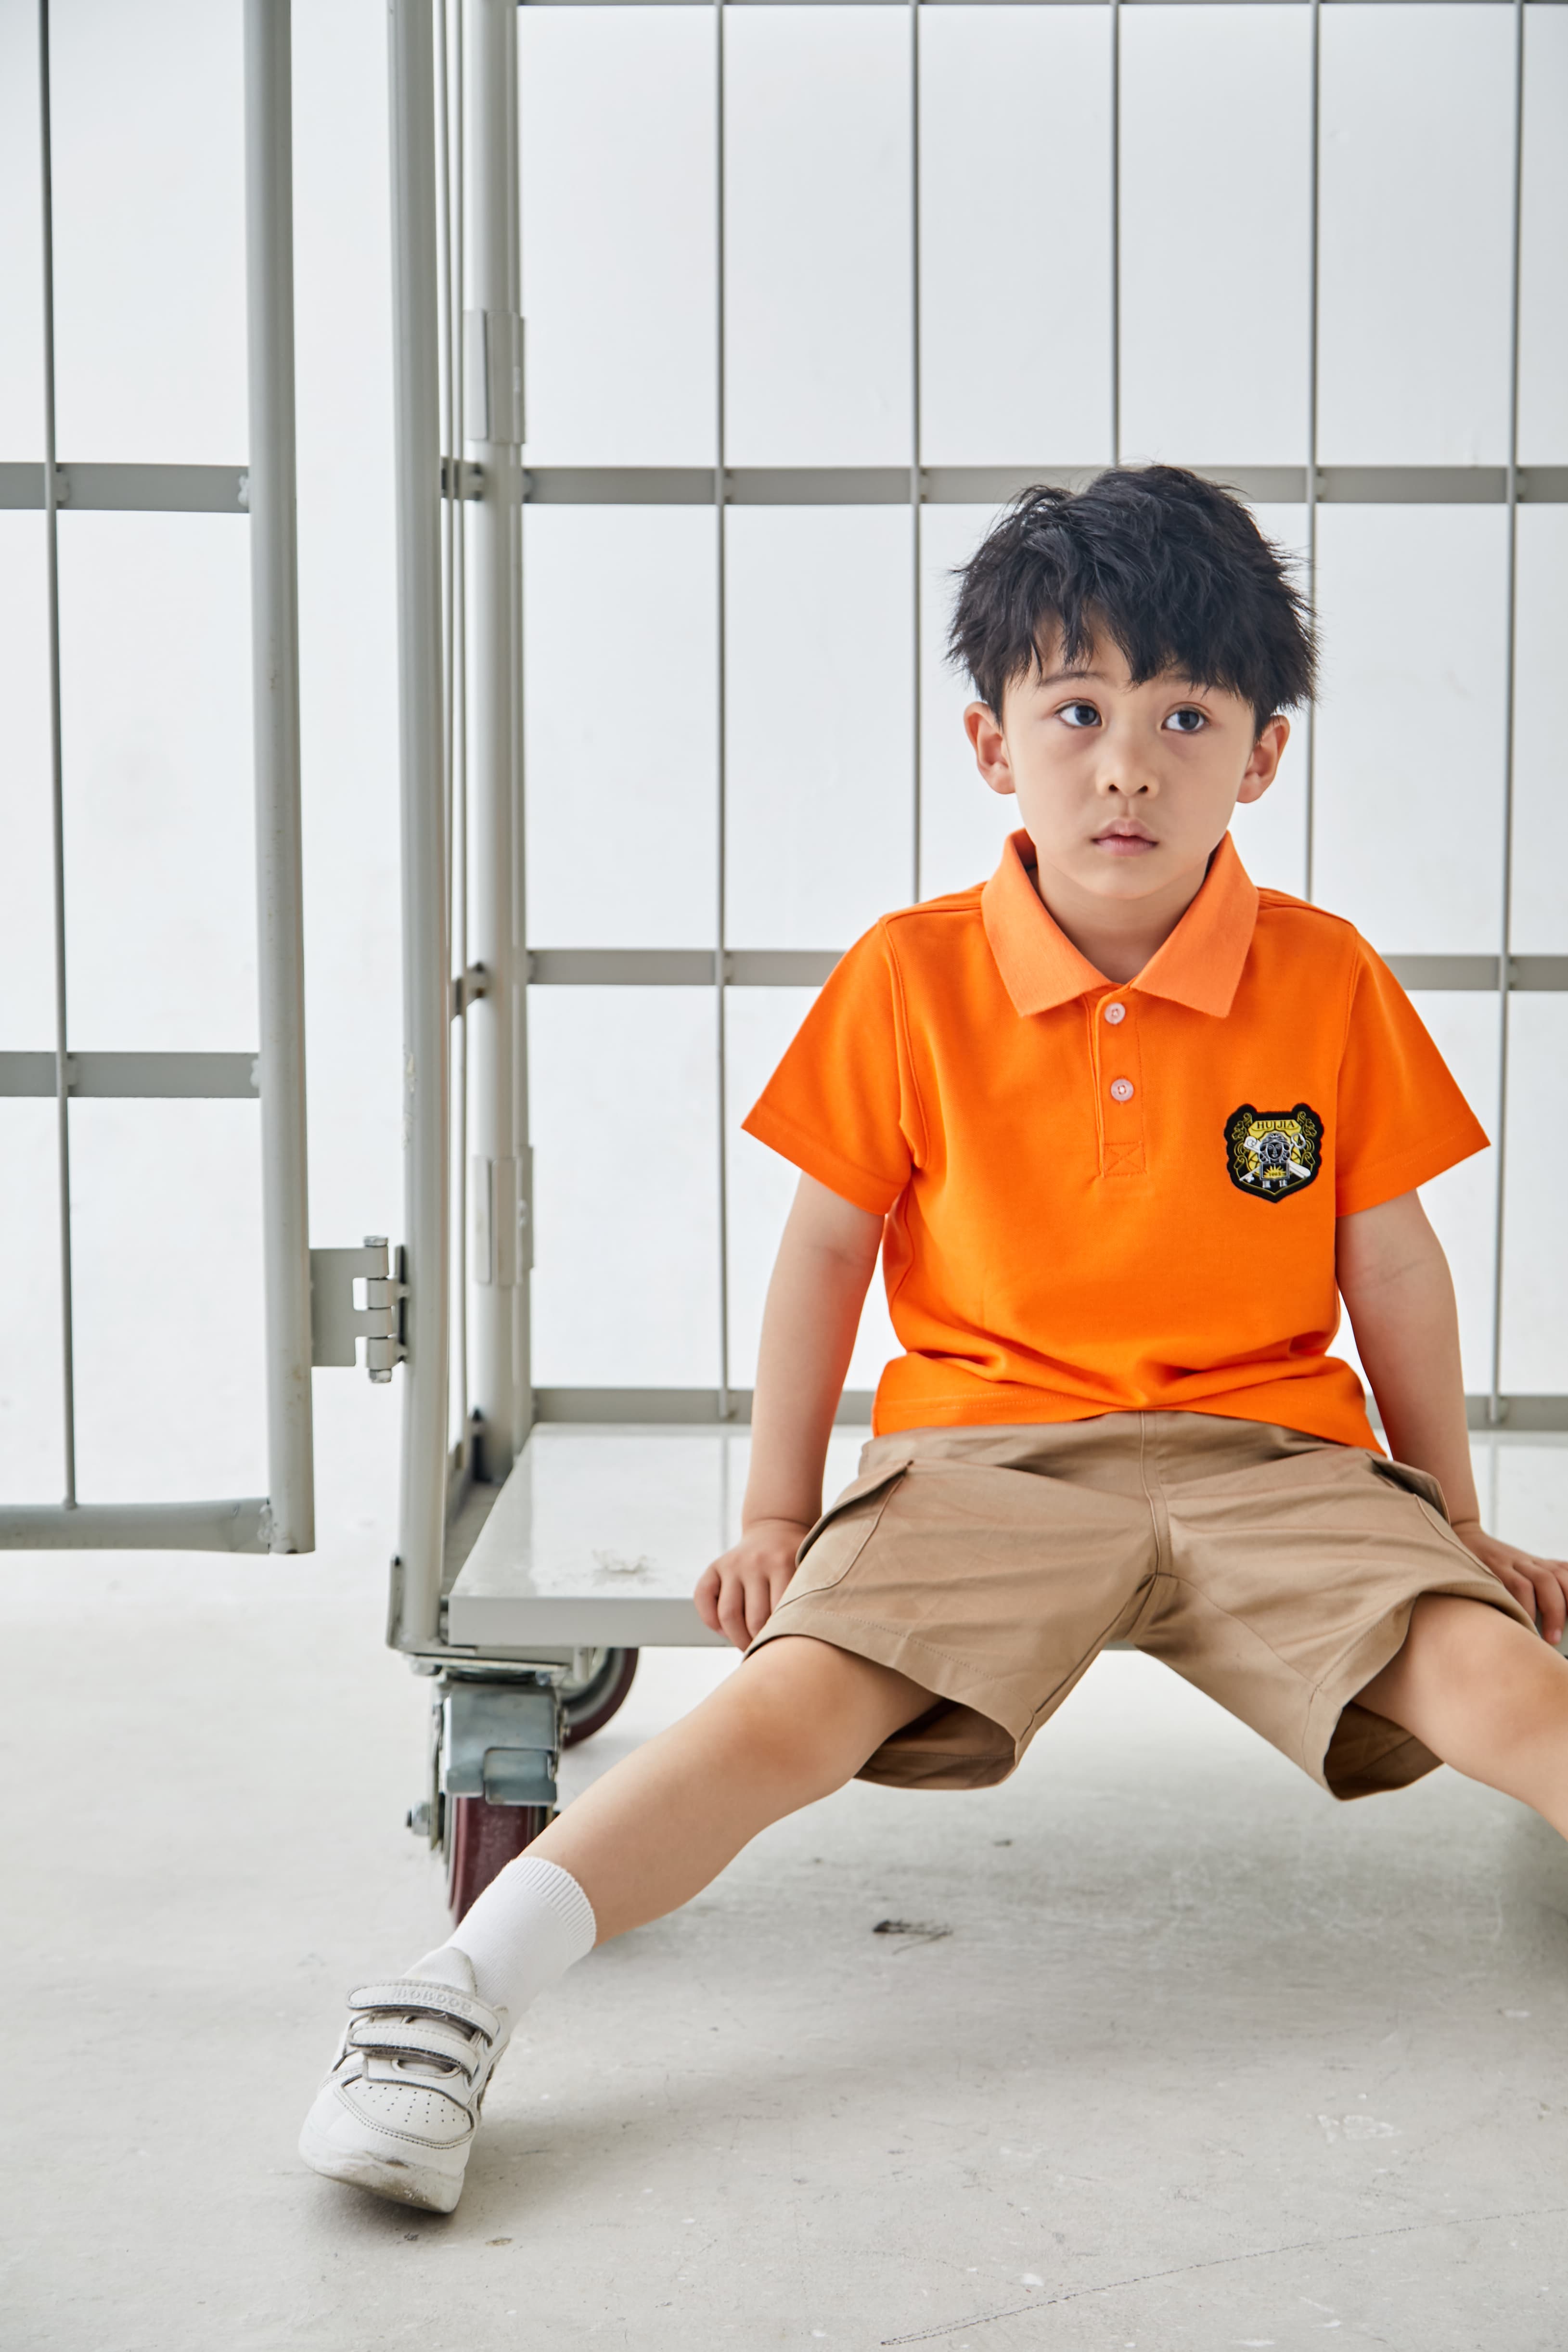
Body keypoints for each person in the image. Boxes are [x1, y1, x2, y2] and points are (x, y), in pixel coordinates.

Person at [300, 465, 1568, 2215]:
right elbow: (825, 1257)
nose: (1126, 759)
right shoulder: (908, 977)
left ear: (1259, 755)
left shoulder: (1326, 977)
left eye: (1183, 713)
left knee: (1504, 1679)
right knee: (786, 1705)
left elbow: (1396, 1272)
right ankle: (448, 2001)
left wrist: (1442, 1511)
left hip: (1279, 1461)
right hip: (984, 1461)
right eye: (1077, 708)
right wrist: (772, 1511)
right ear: (994, 744)